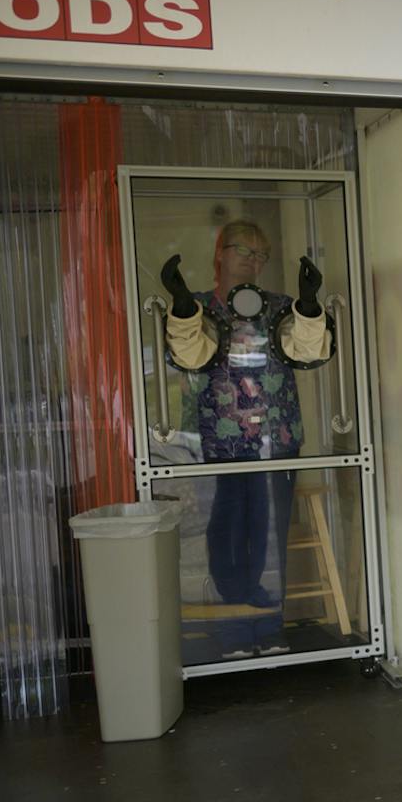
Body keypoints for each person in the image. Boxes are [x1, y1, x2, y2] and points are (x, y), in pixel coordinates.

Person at [160, 221, 335, 659]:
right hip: (215, 444)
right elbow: (190, 356)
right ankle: (235, 629)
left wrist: (310, 307)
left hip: (275, 443)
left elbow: (308, 352)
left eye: (262, 255)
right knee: (226, 532)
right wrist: (182, 307)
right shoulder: (197, 307)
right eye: (245, 251)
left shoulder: (279, 307)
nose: (253, 261)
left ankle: (269, 626)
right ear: (220, 252)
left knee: (269, 533)